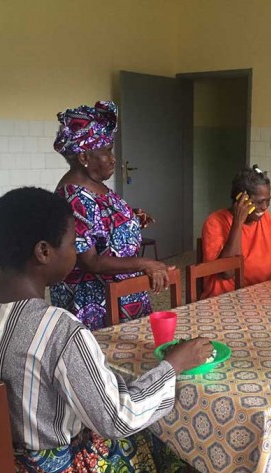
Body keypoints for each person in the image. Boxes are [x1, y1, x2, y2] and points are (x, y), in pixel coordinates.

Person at [0, 187, 212, 473]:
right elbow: (118, 419)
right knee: (158, 437)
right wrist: (173, 365)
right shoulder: (57, 328)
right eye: (72, 244)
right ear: (43, 252)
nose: (77, 253)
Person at [50, 101, 168, 330]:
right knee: (105, 357)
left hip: (121, 290)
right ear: (84, 158)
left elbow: (100, 224)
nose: (113, 158)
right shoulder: (73, 197)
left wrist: (130, 219)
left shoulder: (93, 184)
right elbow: (91, 261)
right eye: (106, 151)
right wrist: (145, 262)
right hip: (96, 301)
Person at [201, 165, 271, 298]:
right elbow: (227, 273)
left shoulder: (263, 217)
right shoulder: (214, 222)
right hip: (230, 300)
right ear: (241, 199)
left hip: (265, 293)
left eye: (268, 201)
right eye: (259, 202)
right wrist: (238, 223)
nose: (265, 207)